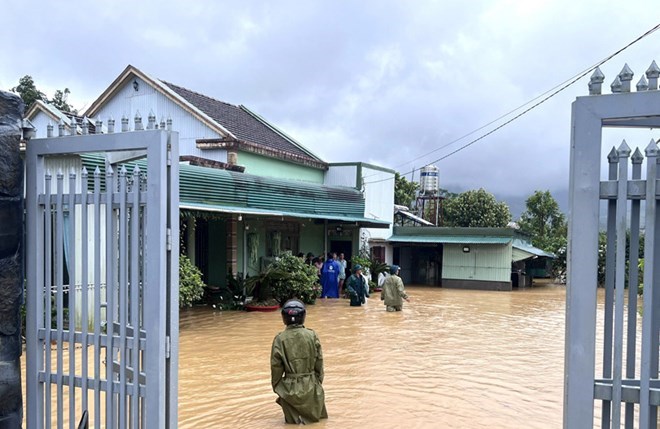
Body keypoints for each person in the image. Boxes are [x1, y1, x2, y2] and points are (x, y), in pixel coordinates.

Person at [270, 299, 328, 424]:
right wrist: (316, 382)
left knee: (292, 424)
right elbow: (319, 362)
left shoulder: (279, 339)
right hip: (311, 385)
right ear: (303, 316)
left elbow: (276, 368)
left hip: (289, 388)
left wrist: (278, 388)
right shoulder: (312, 335)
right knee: (317, 423)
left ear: (284, 318)